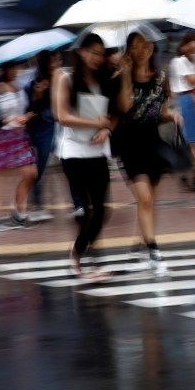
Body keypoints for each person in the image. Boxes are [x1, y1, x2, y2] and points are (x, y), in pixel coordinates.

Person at [116, 31, 180, 276]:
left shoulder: (161, 77)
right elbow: (125, 107)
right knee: (144, 198)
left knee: (148, 202)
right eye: (137, 45)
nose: (144, 48)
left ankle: (137, 248)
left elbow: (160, 111)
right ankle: (154, 252)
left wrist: (172, 114)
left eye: (147, 44)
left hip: (153, 142)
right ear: (129, 50)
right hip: (130, 143)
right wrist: (124, 76)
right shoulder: (123, 76)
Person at [53, 33, 115, 278]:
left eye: (101, 53)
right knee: (88, 211)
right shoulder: (64, 77)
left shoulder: (104, 79)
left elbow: (114, 113)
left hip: (98, 151)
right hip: (74, 153)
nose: (98, 58)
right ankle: (79, 258)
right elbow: (61, 115)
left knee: (102, 211)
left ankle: (84, 252)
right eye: (93, 52)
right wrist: (94, 121)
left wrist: (106, 127)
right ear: (80, 51)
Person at [0, 61, 38, 231]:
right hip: (3, 139)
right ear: (5, 69)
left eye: (18, 69)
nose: (17, 72)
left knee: (30, 174)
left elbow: (31, 109)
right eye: (13, 68)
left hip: (20, 137)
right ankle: (15, 215)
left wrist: (26, 116)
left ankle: (18, 213)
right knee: (5, 179)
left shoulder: (19, 88)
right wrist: (9, 120)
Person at [25, 50, 63, 222]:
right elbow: (30, 109)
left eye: (57, 60)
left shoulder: (61, 80)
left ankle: (39, 202)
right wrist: (38, 96)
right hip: (37, 129)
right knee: (37, 169)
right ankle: (37, 203)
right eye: (52, 61)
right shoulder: (35, 82)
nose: (55, 64)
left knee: (44, 167)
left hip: (51, 129)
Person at [169, 31, 195, 191]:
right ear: (185, 44)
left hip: (193, 99)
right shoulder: (180, 61)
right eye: (193, 42)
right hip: (189, 99)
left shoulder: (188, 61)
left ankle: (194, 173)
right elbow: (193, 80)